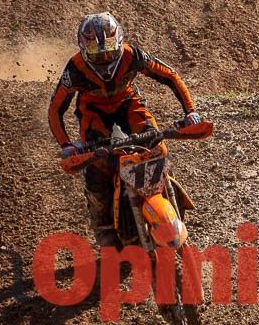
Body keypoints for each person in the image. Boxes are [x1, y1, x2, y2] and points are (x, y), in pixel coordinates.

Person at [48, 13, 201, 247]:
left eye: (109, 48)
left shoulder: (132, 55)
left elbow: (169, 75)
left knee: (156, 144)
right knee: (98, 164)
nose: (104, 56)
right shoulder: (75, 69)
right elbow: (56, 109)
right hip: (93, 112)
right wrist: (66, 145)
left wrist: (190, 111)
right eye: (96, 50)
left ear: (118, 41)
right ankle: (104, 227)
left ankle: (165, 198)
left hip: (127, 103)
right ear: (83, 47)